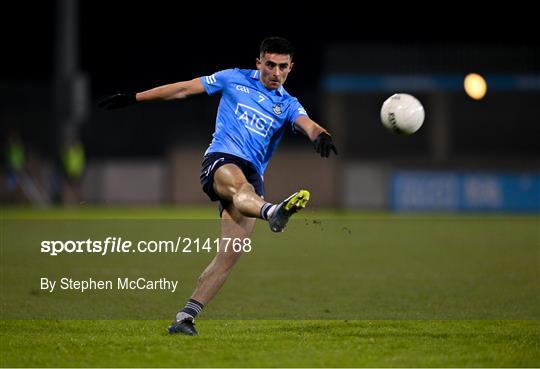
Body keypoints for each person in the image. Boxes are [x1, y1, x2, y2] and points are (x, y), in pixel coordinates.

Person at [99, 37, 337, 336]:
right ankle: (273, 211)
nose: (276, 73)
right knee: (239, 187)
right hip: (222, 159)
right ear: (259, 63)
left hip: (253, 176)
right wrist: (136, 98)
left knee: (229, 254)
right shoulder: (232, 78)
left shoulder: (287, 103)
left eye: (282, 67)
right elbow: (184, 88)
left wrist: (321, 135)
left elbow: (308, 124)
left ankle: (185, 317)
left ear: (291, 67)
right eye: (270, 65)